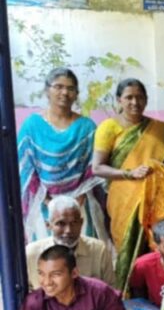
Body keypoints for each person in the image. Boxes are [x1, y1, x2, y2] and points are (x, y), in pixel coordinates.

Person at [90, 78, 164, 289]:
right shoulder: (108, 128)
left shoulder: (162, 130)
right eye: (129, 97)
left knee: (155, 249)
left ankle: (156, 293)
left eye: (139, 97)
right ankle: (128, 295)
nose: (135, 102)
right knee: (127, 251)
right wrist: (129, 174)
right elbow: (97, 168)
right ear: (119, 100)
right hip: (123, 202)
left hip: (155, 202)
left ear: (146, 100)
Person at [18, 68, 107, 243]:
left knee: (82, 251)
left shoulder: (86, 127)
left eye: (70, 88)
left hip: (80, 204)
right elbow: (25, 169)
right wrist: (49, 202)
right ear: (47, 90)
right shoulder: (31, 126)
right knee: (47, 253)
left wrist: (77, 202)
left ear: (76, 94)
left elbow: (92, 171)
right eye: (58, 87)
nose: (65, 92)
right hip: (42, 204)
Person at [26, 195, 115, 289]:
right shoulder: (32, 254)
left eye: (74, 223)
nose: (68, 230)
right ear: (48, 225)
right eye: (61, 224)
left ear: (81, 223)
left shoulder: (98, 251)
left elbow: (111, 291)